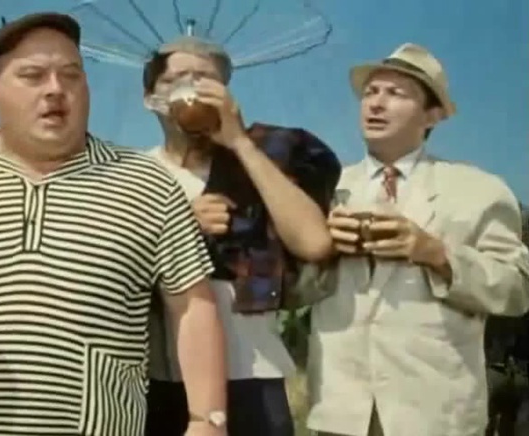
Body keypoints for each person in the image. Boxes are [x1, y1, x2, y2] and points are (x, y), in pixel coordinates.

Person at [0, 12, 228, 436]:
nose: (55, 89)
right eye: (33, 76)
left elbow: (193, 305)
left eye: (71, 75)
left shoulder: (147, 184)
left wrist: (207, 420)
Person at [293, 43, 529, 436]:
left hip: (435, 414)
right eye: (370, 92)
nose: (376, 103)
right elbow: (287, 292)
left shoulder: (478, 190)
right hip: (339, 412)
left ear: (433, 114)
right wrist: (323, 250)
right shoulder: (323, 189)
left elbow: (518, 288)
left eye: (395, 93)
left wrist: (437, 254)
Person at [141, 36, 339, 436]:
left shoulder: (259, 160)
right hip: (159, 380)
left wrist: (238, 142)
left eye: (205, 78)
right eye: (178, 78)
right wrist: (179, 224)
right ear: (151, 99)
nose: (192, 88)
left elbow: (314, 243)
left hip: (252, 375)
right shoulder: (134, 175)